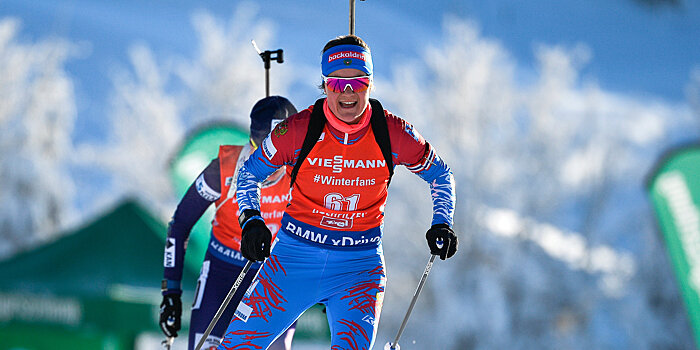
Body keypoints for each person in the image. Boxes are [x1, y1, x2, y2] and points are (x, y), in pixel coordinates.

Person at [216, 35, 458, 350]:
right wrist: (251, 220)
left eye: (356, 82)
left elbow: (441, 174)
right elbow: (249, 173)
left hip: (358, 269)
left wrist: (443, 221)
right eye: (336, 83)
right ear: (325, 85)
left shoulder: (393, 132)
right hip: (292, 261)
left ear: (369, 83)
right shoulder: (298, 130)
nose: (347, 92)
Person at [159, 96, 299, 350]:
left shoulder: (301, 175)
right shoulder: (223, 170)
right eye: (264, 152)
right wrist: (171, 292)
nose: (272, 166)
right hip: (221, 275)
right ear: (252, 142)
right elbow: (180, 224)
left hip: (274, 281)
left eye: (282, 156)